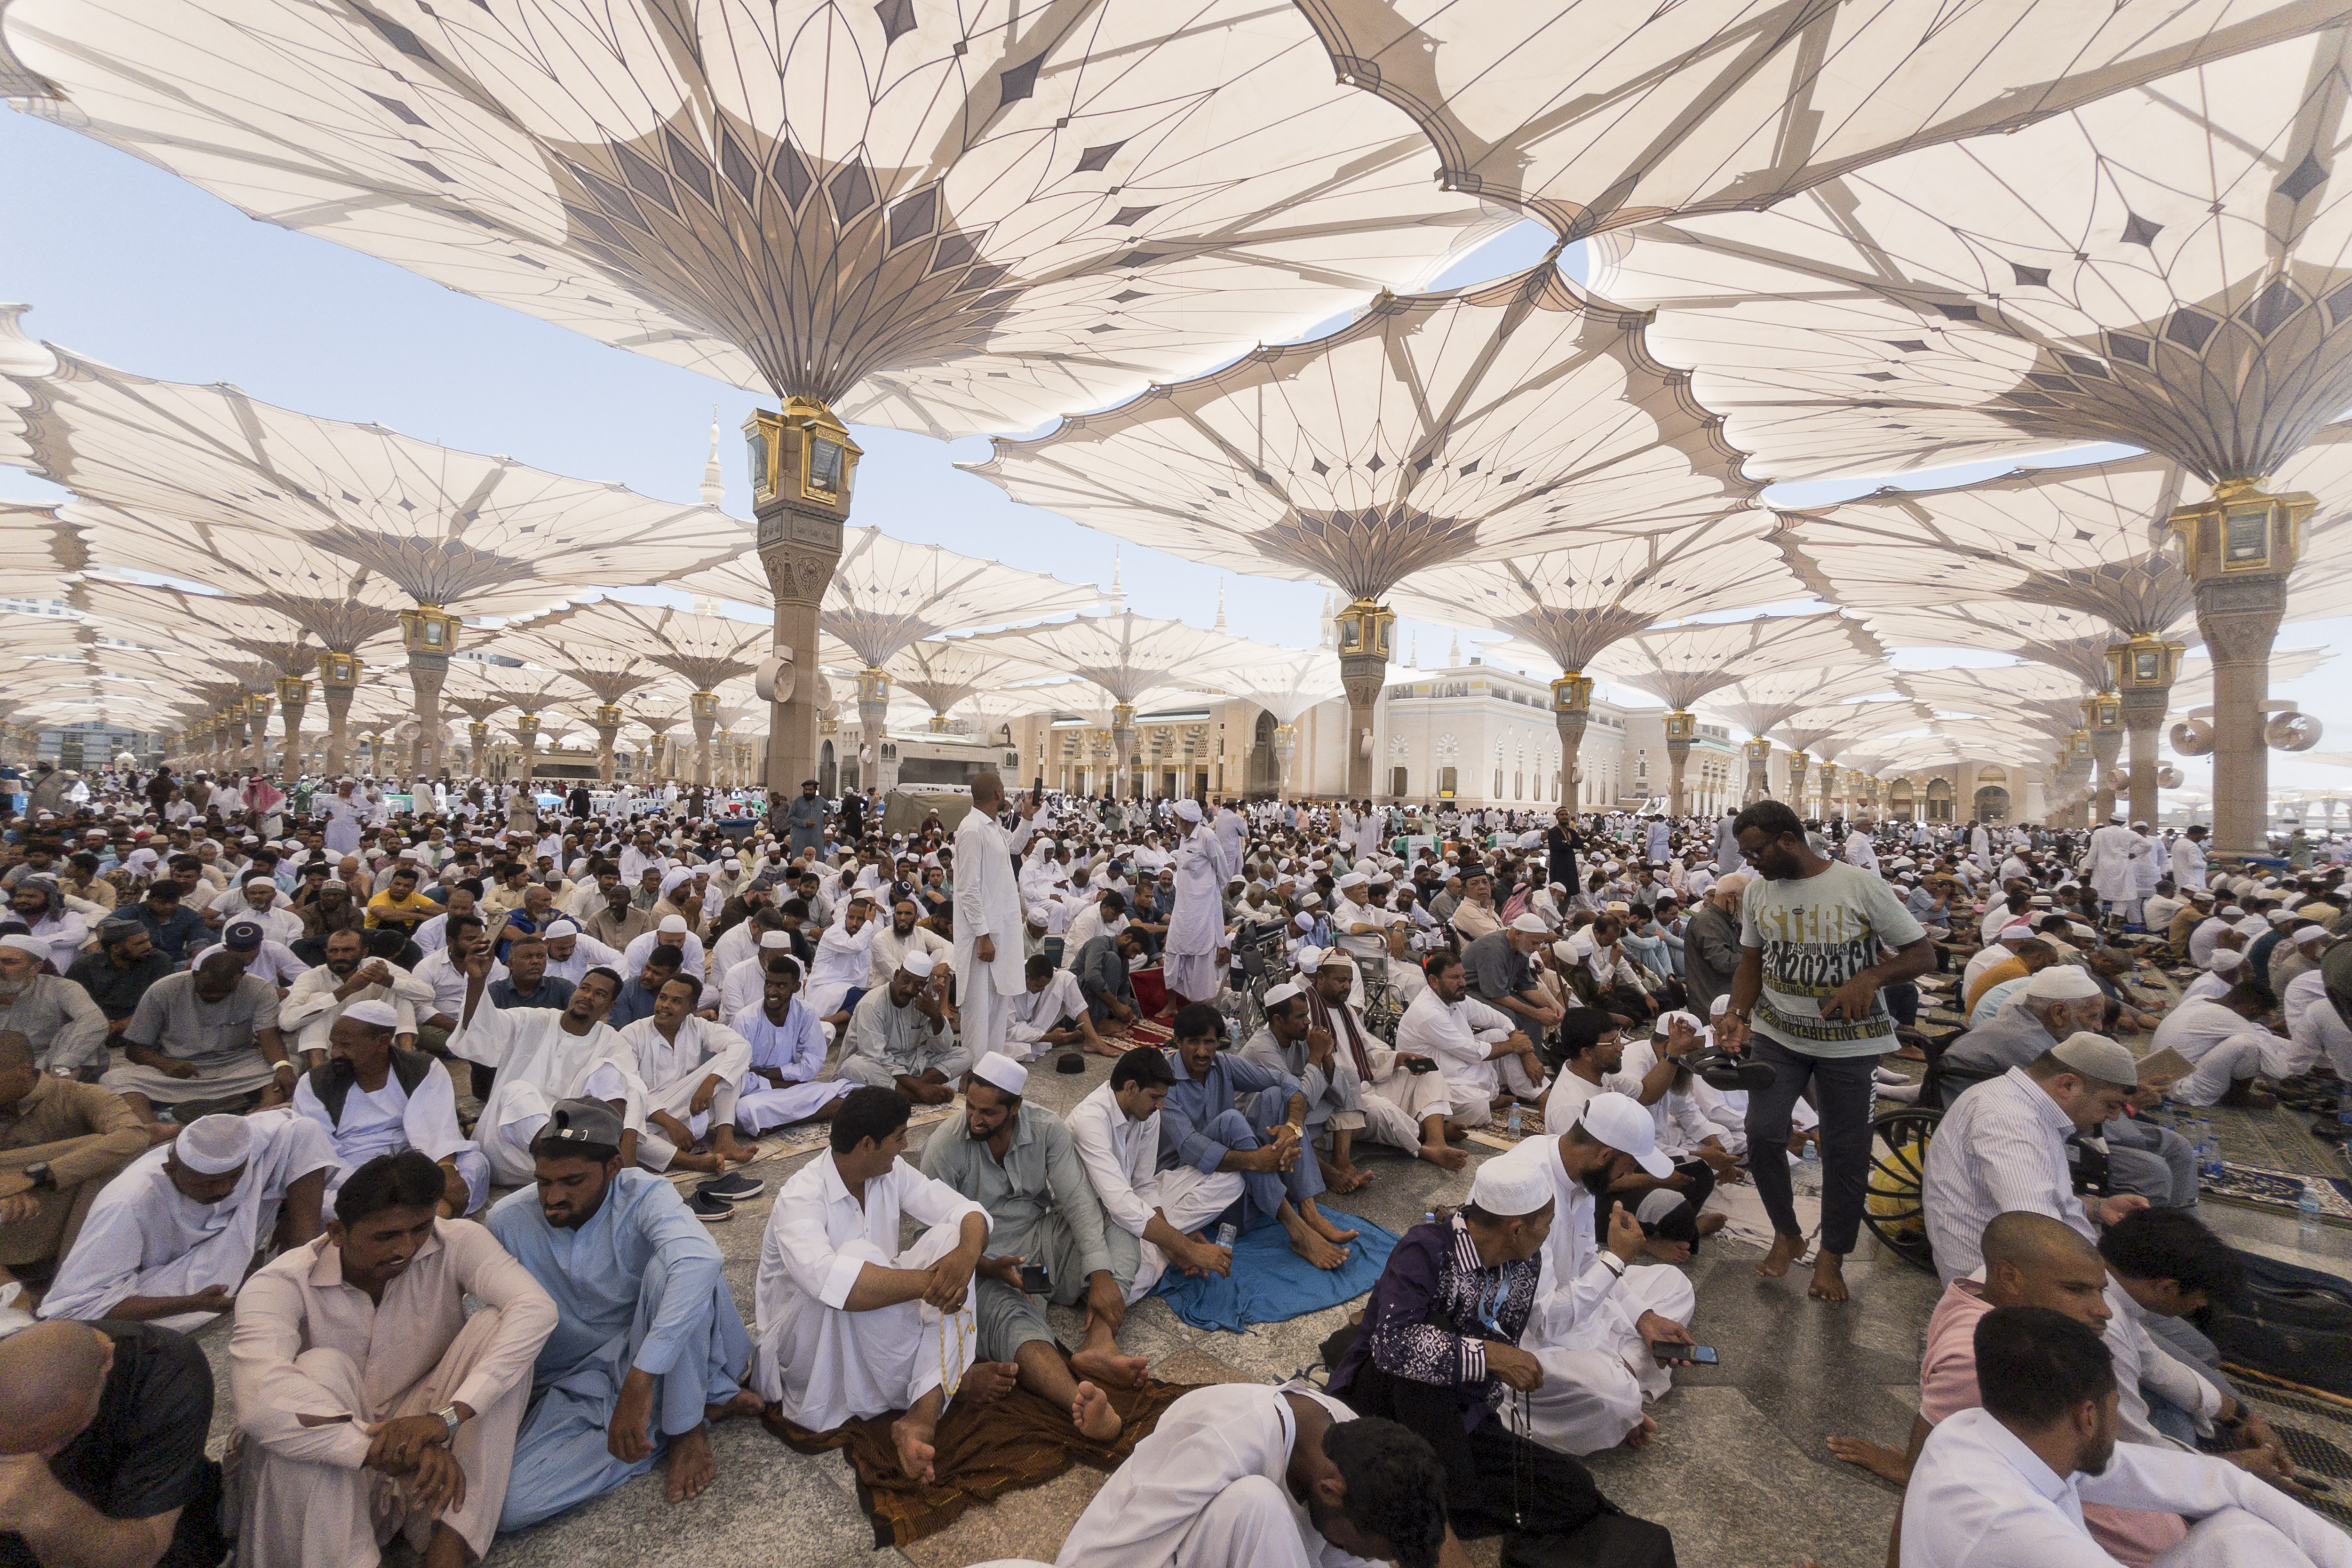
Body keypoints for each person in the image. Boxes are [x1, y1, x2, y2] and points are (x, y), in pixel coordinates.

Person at [226, 1150, 558, 1568]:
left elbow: (537, 1308)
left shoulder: (455, 1240)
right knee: (319, 1370)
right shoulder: (278, 1283)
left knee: (499, 1327)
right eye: (385, 1237)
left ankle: (451, 1541)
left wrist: (447, 1417)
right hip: (333, 1467)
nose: (405, 1248)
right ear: (337, 1232)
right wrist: (389, 1448)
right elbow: (260, 1405)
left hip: (429, 1451)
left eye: (418, 1229)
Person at [1332, 1157, 1653, 1556]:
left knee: (1573, 1488)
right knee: (1431, 1337)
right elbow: (1394, 1347)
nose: (1550, 1231)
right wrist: (1488, 1356)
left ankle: (1435, 1498)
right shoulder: (1426, 1248)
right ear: (1516, 1229)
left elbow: (1526, 1334)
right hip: (1383, 1400)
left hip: (1459, 1413)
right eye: (1547, 1222)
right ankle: (1441, 1514)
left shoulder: (1525, 1263)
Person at [1899, 1305, 2351, 1568]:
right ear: (2088, 1415)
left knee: (2239, 1535)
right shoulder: (2010, 1525)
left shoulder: (1985, 1429)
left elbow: (2226, 1483)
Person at [487, 1099, 760, 1526]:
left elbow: (700, 1261)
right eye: (543, 1182)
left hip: (649, 1357)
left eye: (572, 1181)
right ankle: (681, 1414)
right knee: (508, 1506)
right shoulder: (507, 1221)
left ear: (613, 1167)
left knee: (674, 1270)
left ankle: (687, 1428)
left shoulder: (644, 1192)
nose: (553, 1198)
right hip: (572, 1386)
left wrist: (640, 1379)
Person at [1716, 799, 1934, 1303]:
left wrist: (1871, 976)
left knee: (1843, 1150)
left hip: (1847, 1044)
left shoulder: (1859, 886)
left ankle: (1833, 1254)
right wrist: (1736, 1013)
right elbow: (1752, 962)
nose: (1749, 862)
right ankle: (1786, 1232)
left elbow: (1921, 953)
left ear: (1788, 841)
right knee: (1763, 1133)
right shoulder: (1758, 895)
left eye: (1755, 852)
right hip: (1778, 1035)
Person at [749, 1087, 990, 1487]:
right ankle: (940, 1376)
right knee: (860, 1257)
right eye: (898, 1137)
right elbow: (832, 1284)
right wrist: (932, 1283)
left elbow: (965, 1210)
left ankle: (921, 1416)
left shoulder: (888, 1172)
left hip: (875, 1316)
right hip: (812, 1343)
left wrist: (966, 1255)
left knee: (952, 1242)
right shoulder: (801, 1196)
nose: (905, 1145)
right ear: (867, 1144)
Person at [917, 1053, 1138, 1445]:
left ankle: (1099, 1343)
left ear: (1015, 1106)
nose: (975, 1119)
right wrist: (985, 1266)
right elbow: (931, 1243)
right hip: (981, 1264)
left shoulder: (1047, 1128)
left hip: (1040, 1241)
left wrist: (1101, 1275)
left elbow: (1079, 1203)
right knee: (1013, 1324)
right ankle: (1081, 1404)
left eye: (988, 1111)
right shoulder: (943, 1148)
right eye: (970, 1106)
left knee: (1119, 1227)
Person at [1493, 1092, 1700, 1456]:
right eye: (1629, 1165)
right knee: (1614, 1397)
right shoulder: (1529, 1187)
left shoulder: (1581, 1172)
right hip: (1524, 1339)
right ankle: (1623, 1378)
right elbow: (1541, 1321)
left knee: (1674, 1283)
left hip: (1575, 1305)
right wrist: (1617, 1259)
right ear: (1606, 1155)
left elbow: (1587, 1261)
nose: (1630, 1175)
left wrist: (1645, 1318)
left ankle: (1621, 1367)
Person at [1053, 1380, 1454, 1568]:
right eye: (1361, 1547)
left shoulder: (1349, 1436)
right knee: (1257, 1504)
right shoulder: (1225, 1443)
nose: (1361, 1554)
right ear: (1331, 1489)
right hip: (1152, 1553)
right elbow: (1119, 1550)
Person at [40, 1111, 335, 1331]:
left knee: (306, 1131)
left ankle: (298, 1265)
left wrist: (289, 1212)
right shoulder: (127, 1202)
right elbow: (73, 1307)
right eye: (208, 1184)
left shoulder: (250, 1142)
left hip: (232, 1234)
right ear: (171, 1169)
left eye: (235, 1176)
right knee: (84, 1322)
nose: (223, 1190)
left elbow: (298, 1132)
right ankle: (254, 1277)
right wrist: (194, 1303)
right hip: (175, 1274)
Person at [0, 1319, 231, 1568]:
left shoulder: (163, 1366)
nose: (46, 1455)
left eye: (62, 1438)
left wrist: (46, 1512)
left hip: (140, 1516)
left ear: (107, 1361)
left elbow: (145, 1553)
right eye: (22, 1448)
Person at [1922, 1035, 2151, 1282]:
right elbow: (2039, 1234)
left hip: (2028, 1269)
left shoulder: (2022, 1105)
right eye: (2111, 1104)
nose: (2115, 1117)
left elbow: (2035, 1205)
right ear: (2068, 1086)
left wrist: (2097, 1207)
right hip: (2007, 1283)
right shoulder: (2010, 1120)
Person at [444, 945, 646, 1183]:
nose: (588, 997)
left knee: (611, 1070)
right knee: (517, 1091)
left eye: (600, 994)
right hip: (509, 1149)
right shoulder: (533, 1019)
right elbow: (480, 1029)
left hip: (576, 1147)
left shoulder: (613, 1042)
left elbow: (633, 1092)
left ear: (610, 1006)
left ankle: (592, 1156)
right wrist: (477, 981)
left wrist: (626, 1157)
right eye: (585, 988)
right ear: (575, 991)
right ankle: (564, 1163)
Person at [1065, 1045, 1238, 1299]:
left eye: (1163, 1097)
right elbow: (1119, 1204)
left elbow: (1144, 1185)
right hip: (1096, 1218)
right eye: (1155, 1097)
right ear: (1131, 1087)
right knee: (1132, 1282)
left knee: (1231, 1180)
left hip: (1131, 1205)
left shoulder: (1147, 1112)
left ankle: (1161, 1243)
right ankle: (1159, 1245)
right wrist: (1189, 1249)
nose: (1160, 1106)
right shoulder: (1090, 1122)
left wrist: (1172, 1245)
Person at [288, 999, 487, 1218]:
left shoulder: (423, 1068)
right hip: (352, 1173)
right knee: (322, 1200)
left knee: (476, 1164)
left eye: (346, 1045)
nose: (335, 1053)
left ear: (383, 1042)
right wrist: (380, 1185)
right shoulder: (314, 1082)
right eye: (333, 1044)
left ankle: (412, 1218)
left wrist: (444, 1170)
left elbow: (440, 1131)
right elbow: (319, 1153)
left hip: (416, 1162)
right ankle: (433, 1217)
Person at [0, 1029, 147, 1289]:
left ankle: (71, 1280)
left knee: (101, 1155)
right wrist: (8, 1188)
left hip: (55, 1215)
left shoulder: (78, 1096)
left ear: (24, 1070)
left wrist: (34, 1175)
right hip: (11, 1212)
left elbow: (134, 1135)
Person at [1299, 947, 1462, 1171]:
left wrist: (1399, 1059)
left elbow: (1367, 1055)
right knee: (1383, 1111)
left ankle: (1437, 1139)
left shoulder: (1346, 1011)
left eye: (1349, 981)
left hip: (1365, 1083)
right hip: (1339, 1103)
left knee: (1428, 1072)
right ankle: (1422, 1144)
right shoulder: (1304, 1014)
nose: (1346, 986)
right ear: (1320, 978)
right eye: (1340, 980)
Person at [101, 953, 297, 1131]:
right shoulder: (163, 990)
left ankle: (256, 1120)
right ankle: (152, 1129)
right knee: (115, 1080)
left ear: (241, 978)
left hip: (237, 1064)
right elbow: (134, 1050)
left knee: (290, 1066)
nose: (214, 997)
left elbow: (269, 1036)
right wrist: (166, 1064)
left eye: (224, 992)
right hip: (179, 1069)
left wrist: (282, 1066)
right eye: (206, 991)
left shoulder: (260, 989)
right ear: (195, 974)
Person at [617, 973, 760, 1181]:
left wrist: (710, 1082)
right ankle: (692, 1161)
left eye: (676, 1001)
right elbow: (630, 1088)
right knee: (627, 1137)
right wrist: (669, 1122)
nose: (665, 1006)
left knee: (733, 1063)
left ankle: (725, 1139)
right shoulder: (632, 1034)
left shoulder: (697, 1026)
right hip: (650, 1117)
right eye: (663, 998)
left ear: (692, 1008)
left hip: (691, 1109)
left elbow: (741, 1046)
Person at [1392, 952, 1547, 1127]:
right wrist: (1514, 1046)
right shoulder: (1428, 1012)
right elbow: (1472, 1052)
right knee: (1477, 1106)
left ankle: (1541, 1096)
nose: (1463, 983)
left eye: (1463, 976)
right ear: (1434, 981)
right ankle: (1488, 1102)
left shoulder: (1454, 997)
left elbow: (1497, 1017)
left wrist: (1525, 1051)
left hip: (1459, 1066)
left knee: (1500, 1034)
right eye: (1455, 977)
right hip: (1432, 1079)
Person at [951, 771, 1042, 1063]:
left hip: (1000, 931)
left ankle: (989, 1070)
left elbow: (1015, 846)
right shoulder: (972, 830)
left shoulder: (992, 826)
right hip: (984, 937)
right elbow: (968, 889)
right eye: (1004, 790)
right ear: (998, 794)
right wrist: (983, 935)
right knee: (978, 1009)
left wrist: (1027, 816)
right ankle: (974, 1072)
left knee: (997, 1006)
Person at [838, 949, 969, 1103]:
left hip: (909, 1064)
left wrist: (935, 1015)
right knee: (854, 1065)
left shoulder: (920, 1002)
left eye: (918, 985)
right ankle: (913, 1094)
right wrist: (920, 1088)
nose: (909, 989)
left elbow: (943, 1048)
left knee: (964, 1055)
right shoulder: (872, 1003)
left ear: (925, 985)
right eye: (906, 980)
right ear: (896, 975)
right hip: (875, 1065)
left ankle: (909, 1088)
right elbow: (875, 1054)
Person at [0, 934, 108, 1079]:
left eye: (9, 963)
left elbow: (94, 1021)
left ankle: (56, 1089)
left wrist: (62, 1064)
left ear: (35, 968)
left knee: (81, 1038)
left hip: (48, 1063)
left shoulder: (61, 988)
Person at [1161, 798, 1229, 1010]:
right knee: (1173, 952)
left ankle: (1199, 1007)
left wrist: (1207, 894)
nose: (1173, 821)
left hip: (1202, 910)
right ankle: (1172, 1004)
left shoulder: (1208, 837)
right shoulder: (1183, 838)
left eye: (1175, 817)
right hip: (1182, 907)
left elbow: (1223, 873)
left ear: (1183, 819)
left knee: (1200, 959)